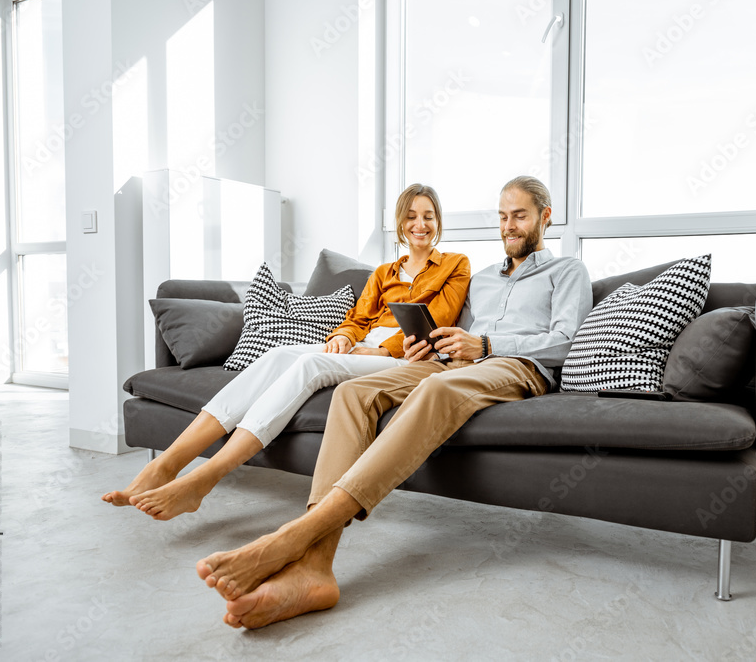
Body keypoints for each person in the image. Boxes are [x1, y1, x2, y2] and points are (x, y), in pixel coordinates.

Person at [194, 176, 593, 629]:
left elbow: (564, 343)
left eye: (519, 216)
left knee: (435, 390)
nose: (509, 226)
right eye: (503, 217)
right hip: (454, 364)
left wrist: (483, 345)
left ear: (545, 217)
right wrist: (429, 347)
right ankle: (316, 569)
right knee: (352, 393)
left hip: (515, 366)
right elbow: (450, 338)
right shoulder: (481, 279)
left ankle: (295, 538)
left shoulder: (567, 271)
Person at [102, 184, 471, 520]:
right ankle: (164, 465)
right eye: (410, 216)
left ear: (437, 222)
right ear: (400, 223)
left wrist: (382, 353)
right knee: (278, 356)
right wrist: (344, 336)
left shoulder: (456, 265)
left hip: (402, 357)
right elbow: (358, 318)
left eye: (428, 216)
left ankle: (205, 478)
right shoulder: (383, 272)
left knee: (309, 364)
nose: (419, 224)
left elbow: (437, 320)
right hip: (361, 348)